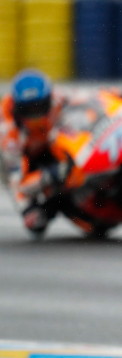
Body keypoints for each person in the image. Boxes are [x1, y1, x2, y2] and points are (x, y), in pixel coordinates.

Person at [0, 69, 68, 236]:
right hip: (27, 161)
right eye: (29, 111)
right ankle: (56, 203)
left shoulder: (58, 99)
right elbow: (16, 181)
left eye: (39, 108)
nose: (35, 117)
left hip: (56, 142)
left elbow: (88, 100)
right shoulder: (8, 133)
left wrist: (119, 95)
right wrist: (47, 176)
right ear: (18, 110)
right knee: (34, 222)